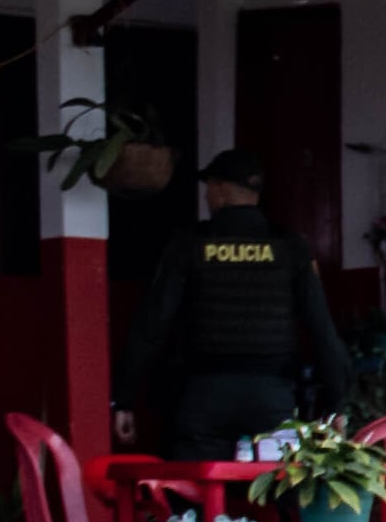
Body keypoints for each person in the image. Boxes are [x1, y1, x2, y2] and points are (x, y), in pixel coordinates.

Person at [118, 145, 352, 458]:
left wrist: (124, 398)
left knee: (197, 495)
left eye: (209, 187)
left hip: (205, 395)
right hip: (272, 396)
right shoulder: (290, 247)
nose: (207, 195)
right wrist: (337, 404)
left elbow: (153, 324)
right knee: (277, 494)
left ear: (221, 190)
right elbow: (321, 327)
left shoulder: (189, 244)